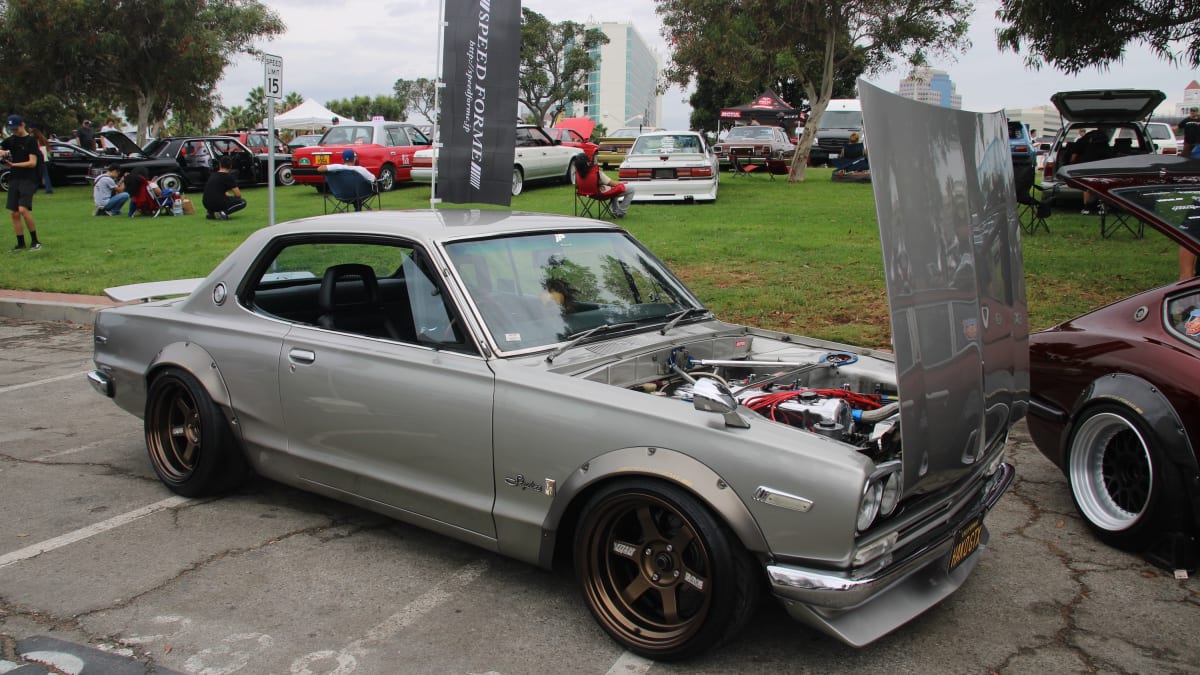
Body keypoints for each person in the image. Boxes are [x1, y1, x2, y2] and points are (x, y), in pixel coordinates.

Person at [0, 114, 43, 251]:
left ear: (22, 125)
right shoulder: (11, 140)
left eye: (16, 128)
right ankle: (20, 244)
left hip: (28, 178)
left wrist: (14, 164)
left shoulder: (30, 141)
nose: (14, 131)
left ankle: (35, 241)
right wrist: (2, 152)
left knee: (22, 209)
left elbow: (32, 163)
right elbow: (2, 148)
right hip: (14, 178)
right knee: (14, 213)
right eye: (11, 129)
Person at [202, 155, 246, 220]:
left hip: (206, 203)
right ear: (230, 166)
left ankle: (210, 213)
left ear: (220, 165)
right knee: (242, 202)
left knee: (218, 197)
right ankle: (224, 212)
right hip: (217, 203)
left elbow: (215, 190)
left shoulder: (213, 175)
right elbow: (238, 194)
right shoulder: (228, 177)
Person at [31, 126, 53, 194]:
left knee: (36, 175)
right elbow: (49, 149)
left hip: (39, 159)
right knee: (45, 175)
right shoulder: (43, 139)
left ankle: (34, 189)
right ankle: (48, 189)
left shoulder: (35, 140)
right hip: (45, 159)